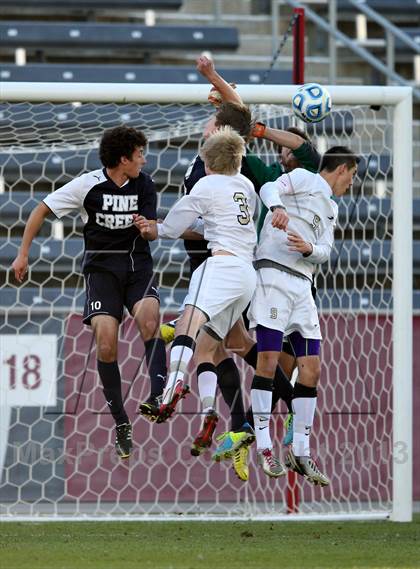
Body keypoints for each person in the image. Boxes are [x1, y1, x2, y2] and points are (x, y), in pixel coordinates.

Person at [187, 55, 322, 481]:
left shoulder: (246, 167)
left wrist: (213, 77)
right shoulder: (209, 165)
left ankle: (248, 425)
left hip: (233, 264)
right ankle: (253, 422)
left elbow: (240, 116)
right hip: (215, 261)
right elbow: (236, 115)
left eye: (217, 125)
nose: (212, 126)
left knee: (220, 348)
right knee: (235, 344)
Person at [11, 125, 167, 460]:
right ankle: (121, 421)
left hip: (137, 266)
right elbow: (41, 209)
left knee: (150, 320)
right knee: (107, 340)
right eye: (139, 153)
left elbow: (153, 232)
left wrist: (147, 229)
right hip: (101, 270)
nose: (144, 158)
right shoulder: (88, 185)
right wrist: (23, 253)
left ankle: (158, 395)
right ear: (123, 158)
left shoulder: (145, 183)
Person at [134, 126, 257, 457]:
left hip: (220, 266)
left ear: (209, 163)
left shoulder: (205, 184)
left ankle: (171, 390)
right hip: (247, 276)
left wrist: (151, 228)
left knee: (185, 325)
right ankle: (207, 410)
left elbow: (172, 228)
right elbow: (223, 222)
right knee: (207, 348)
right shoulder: (245, 185)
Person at [248, 146, 359, 481]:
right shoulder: (303, 178)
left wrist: (310, 249)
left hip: (303, 286)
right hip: (273, 275)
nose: (350, 185)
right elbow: (268, 188)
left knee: (311, 369)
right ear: (341, 169)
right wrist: (278, 208)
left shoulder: (331, 209)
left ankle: (301, 452)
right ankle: (266, 447)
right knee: (268, 359)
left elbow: (325, 248)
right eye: (351, 177)